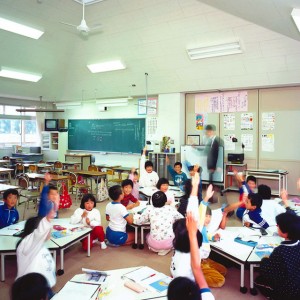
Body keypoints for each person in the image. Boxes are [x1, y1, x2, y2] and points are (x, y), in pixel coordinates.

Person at [171, 169, 214, 282]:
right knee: (218, 277)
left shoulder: (179, 244)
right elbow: (206, 253)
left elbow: (192, 210)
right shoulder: (196, 251)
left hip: (175, 273)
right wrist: (204, 234)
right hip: (188, 280)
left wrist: (196, 189)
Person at [167, 213, 215, 300]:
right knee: (218, 277)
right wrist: (203, 231)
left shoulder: (178, 248)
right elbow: (198, 267)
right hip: (188, 280)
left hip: (176, 277)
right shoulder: (198, 252)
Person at [16, 204, 58, 299]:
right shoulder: (28, 245)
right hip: (32, 289)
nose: (50, 230)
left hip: (44, 287)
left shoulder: (40, 245)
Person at [254, 213, 300, 300]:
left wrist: (264, 259)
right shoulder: (298, 244)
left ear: (286, 232)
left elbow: (267, 272)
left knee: (257, 281)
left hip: (286, 290)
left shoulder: (280, 250)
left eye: (278, 225)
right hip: (297, 283)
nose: (277, 226)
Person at [135, 191, 183, 255]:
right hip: (169, 243)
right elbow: (182, 217)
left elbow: (138, 221)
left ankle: (156, 249)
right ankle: (166, 249)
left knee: (147, 235)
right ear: (165, 201)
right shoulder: (170, 209)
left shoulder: (149, 209)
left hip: (153, 245)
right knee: (173, 234)